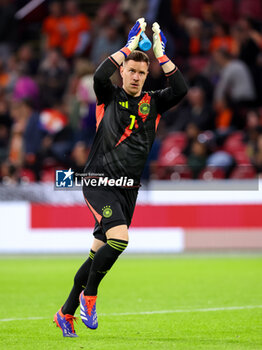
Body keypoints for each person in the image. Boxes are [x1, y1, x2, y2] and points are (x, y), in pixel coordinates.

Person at [53, 17, 188, 337]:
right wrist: (128, 47)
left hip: (128, 188)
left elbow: (180, 89)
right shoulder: (107, 94)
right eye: (132, 70)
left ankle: (65, 312)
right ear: (123, 71)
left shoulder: (153, 102)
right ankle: (89, 297)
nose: (137, 76)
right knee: (120, 238)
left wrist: (161, 55)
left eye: (143, 72)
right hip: (98, 181)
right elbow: (100, 73)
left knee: (97, 251)